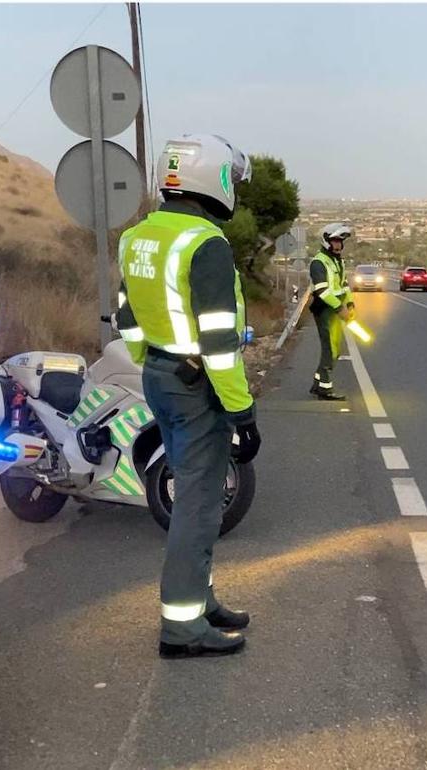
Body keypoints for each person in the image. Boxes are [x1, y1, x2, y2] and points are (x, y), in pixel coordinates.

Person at [115, 134, 261, 659]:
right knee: (198, 506)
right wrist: (241, 411)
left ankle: (200, 600)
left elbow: (127, 315)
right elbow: (220, 342)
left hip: (161, 375)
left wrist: (153, 360)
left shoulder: (137, 237)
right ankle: (182, 625)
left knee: (192, 495)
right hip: (198, 385)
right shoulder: (206, 244)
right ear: (214, 180)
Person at [309, 223, 355, 400]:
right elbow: (322, 291)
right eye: (335, 241)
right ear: (327, 241)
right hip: (325, 311)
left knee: (335, 348)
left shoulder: (338, 261)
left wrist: (350, 304)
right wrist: (338, 307)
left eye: (341, 241)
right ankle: (325, 389)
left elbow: (343, 285)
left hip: (336, 311)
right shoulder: (319, 262)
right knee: (330, 350)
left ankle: (318, 382)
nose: (339, 245)